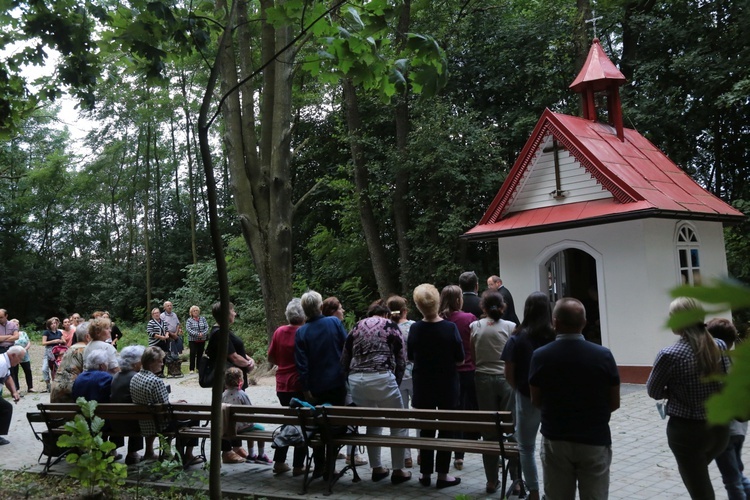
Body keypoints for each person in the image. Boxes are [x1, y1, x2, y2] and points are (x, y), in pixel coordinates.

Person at [529, 297, 620, 500]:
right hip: (594, 439)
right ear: (584, 323)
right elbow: (614, 402)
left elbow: (536, 400)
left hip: (556, 438)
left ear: (555, 323)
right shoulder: (604, 356)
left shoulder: (540, 356)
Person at [647, 297, 731, 499]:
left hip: (688, 434)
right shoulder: (719, 345)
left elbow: (653, 391)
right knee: (699, 479)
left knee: (701, 491)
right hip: (720, 432)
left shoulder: (669, 354)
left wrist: (672, 391)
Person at [341, 300, 411, 484]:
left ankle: (377, 468)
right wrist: (394, 381)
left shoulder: (356, 327)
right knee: (398, 422)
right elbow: (401, 358)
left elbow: (345, 357)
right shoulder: (391, 326)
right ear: (386, 314)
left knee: (374, 421)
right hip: (381, 376)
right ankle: (398, 470)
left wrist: (349, 380)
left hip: (357, 380)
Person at [407, 283, 464, 489]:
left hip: (423, 385)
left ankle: (425, 474)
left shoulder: (415, 328)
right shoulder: (449, 328)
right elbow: (460, 358)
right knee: (446, 429)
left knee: (426, 429)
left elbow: (410, 356)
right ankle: (442, 474)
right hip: (447, 384)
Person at [500, 291, 555, 500]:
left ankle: (533, 491)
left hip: (526, 397)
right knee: (550, 448)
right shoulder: (555, 335)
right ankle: (551, 490)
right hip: (553, 399)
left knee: (526, 447)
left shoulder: (517, 337)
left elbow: (508, 372)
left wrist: (520, 389)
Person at [295, 290, 348, 478]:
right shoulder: (334, 322)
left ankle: (318, 466)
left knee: (318, 424)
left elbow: (302, 365)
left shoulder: (301, 332)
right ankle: (330, 467)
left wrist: (306, 389)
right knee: (335, 425)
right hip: (337, 383)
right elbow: (346, 346)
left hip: (316, 387)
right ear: (319, 307)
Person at [470, 290, 517, 494]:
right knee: (511, 429)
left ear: (482, 307)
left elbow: (473, 355)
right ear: (503, 307)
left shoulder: (475, 326)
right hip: (506, 379)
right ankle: (516, 480)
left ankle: (491, 480)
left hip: (482, 379)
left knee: (489, 432)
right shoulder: (511, 327)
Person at [130, 346, 202, 466]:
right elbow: (166, 408)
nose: (162, 364)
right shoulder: (155, 381)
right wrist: (180, 405)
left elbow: (160, 404)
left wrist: (174, 403)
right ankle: (188, 455)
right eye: (160, 361)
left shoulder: (135, 378)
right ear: (151, 362)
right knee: (194, 416)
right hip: (161, 424)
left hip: (145, 423)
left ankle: (163, 452)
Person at [706, 318, 750, 500]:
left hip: (726, 431)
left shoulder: (718, 364)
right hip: (740, 428)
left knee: (732, 480)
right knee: (737, 473)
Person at [321, 295, 367, 467]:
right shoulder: (336, 325)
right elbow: (348, 348)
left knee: (331, 417)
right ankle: (352, 455)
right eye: (340, 308)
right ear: (333, 311)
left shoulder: (318, 327)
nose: (343, 311)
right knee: (350, 413)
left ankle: (335, 450)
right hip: (341, 378)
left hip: (323, 381)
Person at [439, 284, 479, 471]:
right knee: (463, 412)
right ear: (458, 300)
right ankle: (460, 454)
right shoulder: (469, 318)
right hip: (468, 370)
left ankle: (453, 452)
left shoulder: (438, 320)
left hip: (446, 373)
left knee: (450, 413)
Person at [267, 298, 306, 476]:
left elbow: (271, 358)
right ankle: (298, 465)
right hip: (299, 385)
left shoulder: (279, 331)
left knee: (288, 421)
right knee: (302, 425)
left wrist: (283, 364)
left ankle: (279, 462)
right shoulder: (305, 332)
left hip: (282, 385)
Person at [386, 295, 416, 469]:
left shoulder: (387, 328)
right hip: (413, 374)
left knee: (401, 416)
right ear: (405, 310)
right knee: (420, 415)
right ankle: (422, 452)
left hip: (396, 376)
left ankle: (406, 456)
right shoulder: (413, 327)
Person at [221, 366, 270, 464]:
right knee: (259, 428)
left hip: (229, 427)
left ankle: (251, 456)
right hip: (242, 427)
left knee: (250, 426)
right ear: (240, 380)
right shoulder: (242, 394)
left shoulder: (223, 395)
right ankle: (261, 455)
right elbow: (250, 411)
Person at [205, 302, 255, 390]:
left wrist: (249, 359)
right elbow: (234, 357)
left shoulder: (222, 330)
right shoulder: (219, 333)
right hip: (230, 382)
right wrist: (248, 364)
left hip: (233, 380)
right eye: (232, 311)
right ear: (225, 314)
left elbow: (234, 350)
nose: (235, 313)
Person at [111, 345, 146, 465]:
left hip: (114, 423)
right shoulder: (136, 377)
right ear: (136, 363)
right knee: (140, 414)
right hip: (132, 424)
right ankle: (132, 453)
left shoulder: (116, 376)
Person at [51, 322, 91, 403]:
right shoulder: (85, 350)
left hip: (56, 390)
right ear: (88, 337)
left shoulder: (70, 348)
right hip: (71, 392)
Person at [0, 346, 24, 445]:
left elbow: (8, 377)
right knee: (5, 408)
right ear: (13, 355)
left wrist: (14, 392)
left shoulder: (5, 362)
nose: (20, 362)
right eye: (20, 358)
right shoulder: (1, 364)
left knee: (5, 408)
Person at [10, 319, 35, 394]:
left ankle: (30, 387)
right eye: (14, 324)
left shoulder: (23, 333)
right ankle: (16, 388)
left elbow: (28, 342)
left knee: (28, 370)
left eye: (17, 324)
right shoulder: (10, 335)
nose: (16, 326)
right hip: (14, 356)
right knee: (14, 372)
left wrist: (24, 349)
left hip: (25, 355)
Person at [42, 317, 66, 387]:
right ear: (49, 325)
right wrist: (54, 341)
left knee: (56, 368)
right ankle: (48, 384)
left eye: (55, 323)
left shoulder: (59, 332)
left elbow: (64, 341)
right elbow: (43, 343)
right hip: (48, 351)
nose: (54, 325)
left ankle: (56, 383)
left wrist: (60, 341)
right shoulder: (46, 332)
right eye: (52, 323)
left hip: (57, 352)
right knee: (44, 368)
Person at [186, 305, 209, 373]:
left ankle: (199, 368)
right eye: (194, 311)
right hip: (193, 339)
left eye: (197, 311)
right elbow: (188, 329)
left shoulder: (203, 319)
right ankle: (191, 369)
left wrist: (202, 333)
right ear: (191, 312)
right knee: (192, 353)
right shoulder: (189, 320)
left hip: (202, 339)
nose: (196, 312)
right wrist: (197, 334)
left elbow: (207, 327)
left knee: (200, 353)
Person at [147, 308, 170, 376]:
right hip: (155, 343)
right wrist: (160, 337)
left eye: (158, 313)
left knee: (163, 357)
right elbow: (150, 333)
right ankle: (155, 372)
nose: (157, 314)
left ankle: (161, 372)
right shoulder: (151, 322)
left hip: (164, 342)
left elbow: (166, 330)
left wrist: (166, 335)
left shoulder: (163, 321)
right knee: (155, 357)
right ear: (152, 315)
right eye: (155, 313)